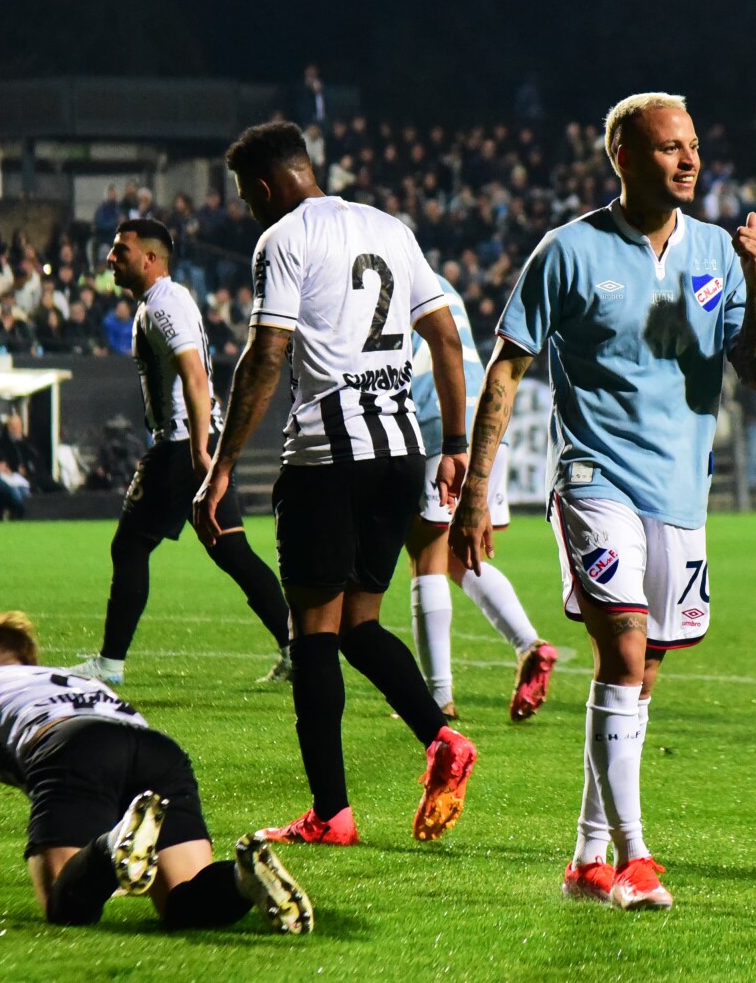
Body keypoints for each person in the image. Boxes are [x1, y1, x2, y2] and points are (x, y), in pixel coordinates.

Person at [449, 93, 756, 910]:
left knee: (638, 671)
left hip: (681, 490)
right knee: (626, 647)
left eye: (695, 145)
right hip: (595, 478)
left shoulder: (715, 252)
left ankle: (587, 858)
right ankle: (636, 856)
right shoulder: (567, 250)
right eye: (671, 147)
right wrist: (476, 494)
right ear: (624, 157)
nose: (690, 160)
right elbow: (507, 368)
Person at [196, 121, 477, 846]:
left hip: (328, 458)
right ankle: (441, 739)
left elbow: (266, 355)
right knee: (360, 625)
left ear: (263, 187)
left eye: (245, 196)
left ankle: (332, 814)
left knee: (312, 635)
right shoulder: (392, 228)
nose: (248, 209)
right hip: (399, 455)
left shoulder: (283, 238)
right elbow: (445, 338)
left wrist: (221, 466)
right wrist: (454, 444)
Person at [0, 611, 313, 934]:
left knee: (65, 908)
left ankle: (110, 849)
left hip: (72, 746)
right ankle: (241, 880)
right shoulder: (77, 682)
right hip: (158, 750)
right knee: (184, 906)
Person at [69, 219, 291, 687]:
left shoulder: (163, 304)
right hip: (199, 440)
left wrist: (198, 454)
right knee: (233, 552)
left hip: (181, 449)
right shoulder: (165, 301)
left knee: (129, 546)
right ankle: (297, 649)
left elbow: (194, 374)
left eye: (120, 250)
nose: (111, 258)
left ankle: (110, 664)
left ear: (150, 258)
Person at [402, 276, 559, 722]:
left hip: (440, 424)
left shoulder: (390, 279)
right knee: (459, 555)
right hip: (488, 428)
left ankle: (437, 698)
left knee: (425, 555)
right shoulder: (442, 282)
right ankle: (530, 643)